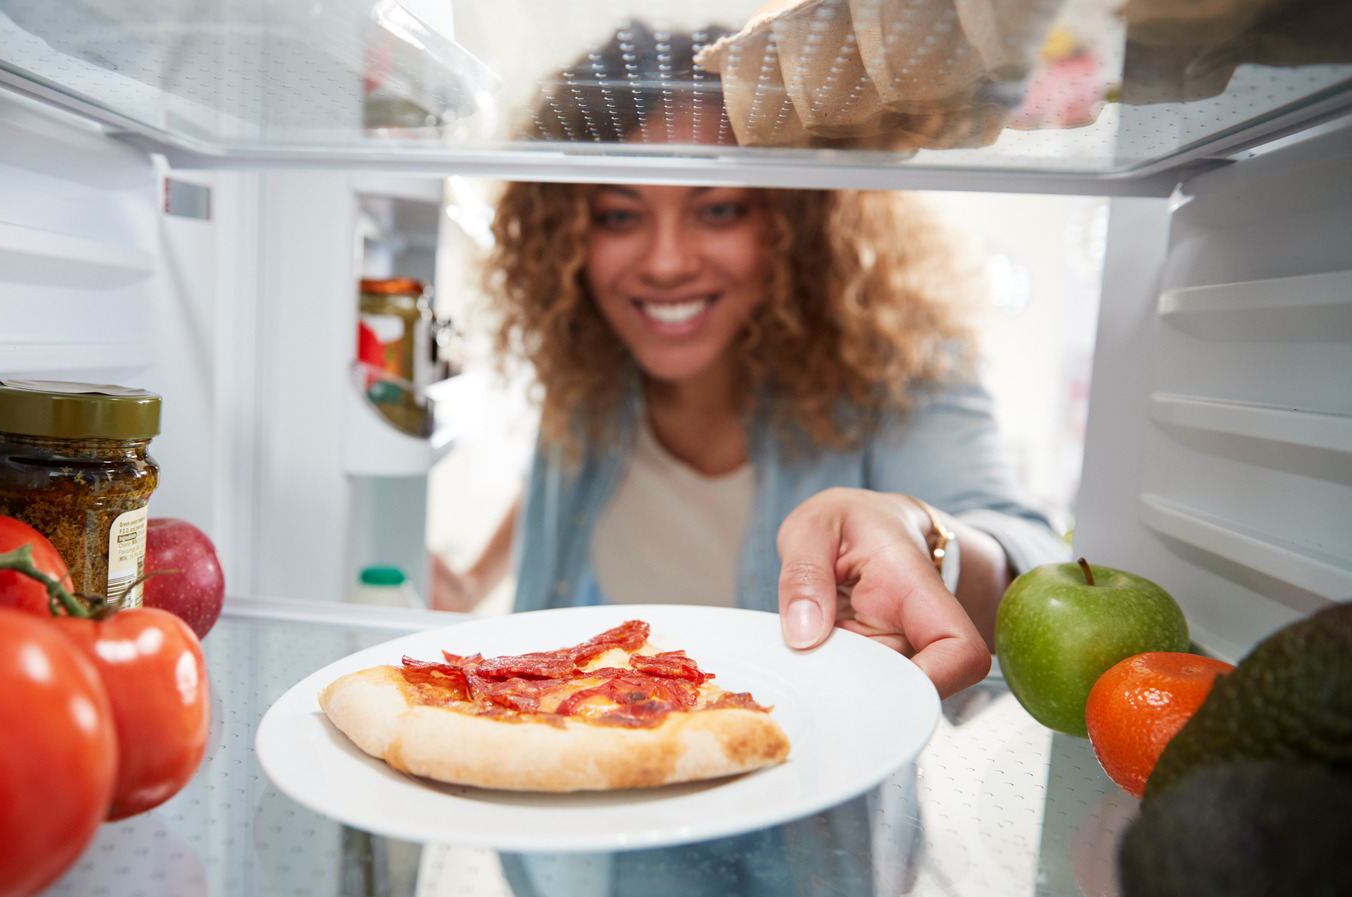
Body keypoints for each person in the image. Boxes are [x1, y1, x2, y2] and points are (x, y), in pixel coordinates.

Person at [431, 24, 1066, 703]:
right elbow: (554, 472)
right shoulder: (595, 367)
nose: (667, 261)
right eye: (620, 216)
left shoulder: (899, 366)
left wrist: (923, 535)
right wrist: (472, 581)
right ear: (570, 236)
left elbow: (1034, 564)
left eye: (720, 209)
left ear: (799, 221)